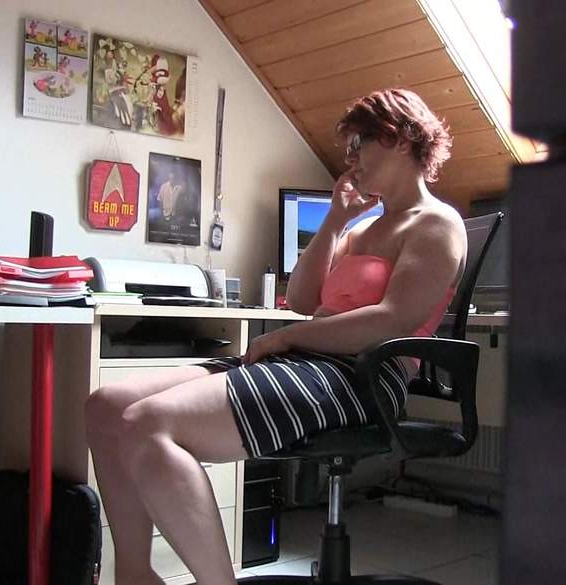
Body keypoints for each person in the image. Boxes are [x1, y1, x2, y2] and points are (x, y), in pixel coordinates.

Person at [84, 88, 466, 585]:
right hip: (310, 359)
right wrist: (335, 221)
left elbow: (392, 320)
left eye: (359, 144)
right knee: (106, 406)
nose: (351, 159)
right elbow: (301, 297)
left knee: (147, 423)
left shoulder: (437, 224)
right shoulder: (361, 230)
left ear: (398, 138)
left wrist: (286, 339)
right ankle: (135, 575)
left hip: (364, 374)